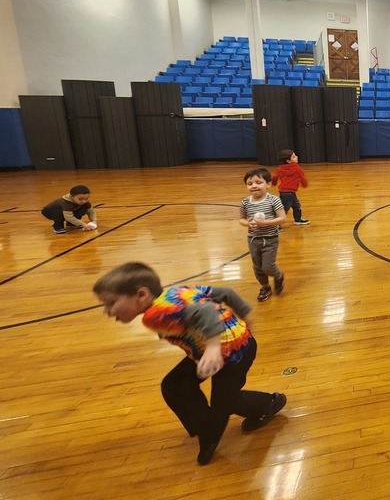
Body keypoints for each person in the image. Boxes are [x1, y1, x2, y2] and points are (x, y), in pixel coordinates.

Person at [93, 261, 287, 466]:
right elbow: (226, 292)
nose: (107, 311)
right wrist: (245, 315)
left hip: (233, 353)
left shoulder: (158, 313)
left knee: (225, 401)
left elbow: (206, 312)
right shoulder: (177, 292)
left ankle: (269, 403)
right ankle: (208, 427)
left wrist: (213, 347)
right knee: (174, 384)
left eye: (110, 303)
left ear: (141, 295)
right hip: (214, 349)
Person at [238, 167, 287, 302]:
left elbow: (282, 218)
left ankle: (278, 276)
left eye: (258, 182)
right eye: (250, 183)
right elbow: (241, 219)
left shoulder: (273, 200)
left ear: (268, 184)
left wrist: (265, 223)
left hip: (270, 239)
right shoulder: (245, 202)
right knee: (257, 267)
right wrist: (248, 224)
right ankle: (265, 287)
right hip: (253, 239)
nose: (254, 186)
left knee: (268, 266)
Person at [272, 149, 310, 226]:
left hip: (285, 192)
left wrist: (274, 183)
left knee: (296, 205)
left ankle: (297, 220)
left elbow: (274, 177)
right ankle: (276, 224)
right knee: (284, 209)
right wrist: (304, 184)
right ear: (288, 161)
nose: (297, 157)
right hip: (289, 193)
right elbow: (302, 177)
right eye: (294, 156)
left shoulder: (280, 168)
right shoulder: (297, 168)